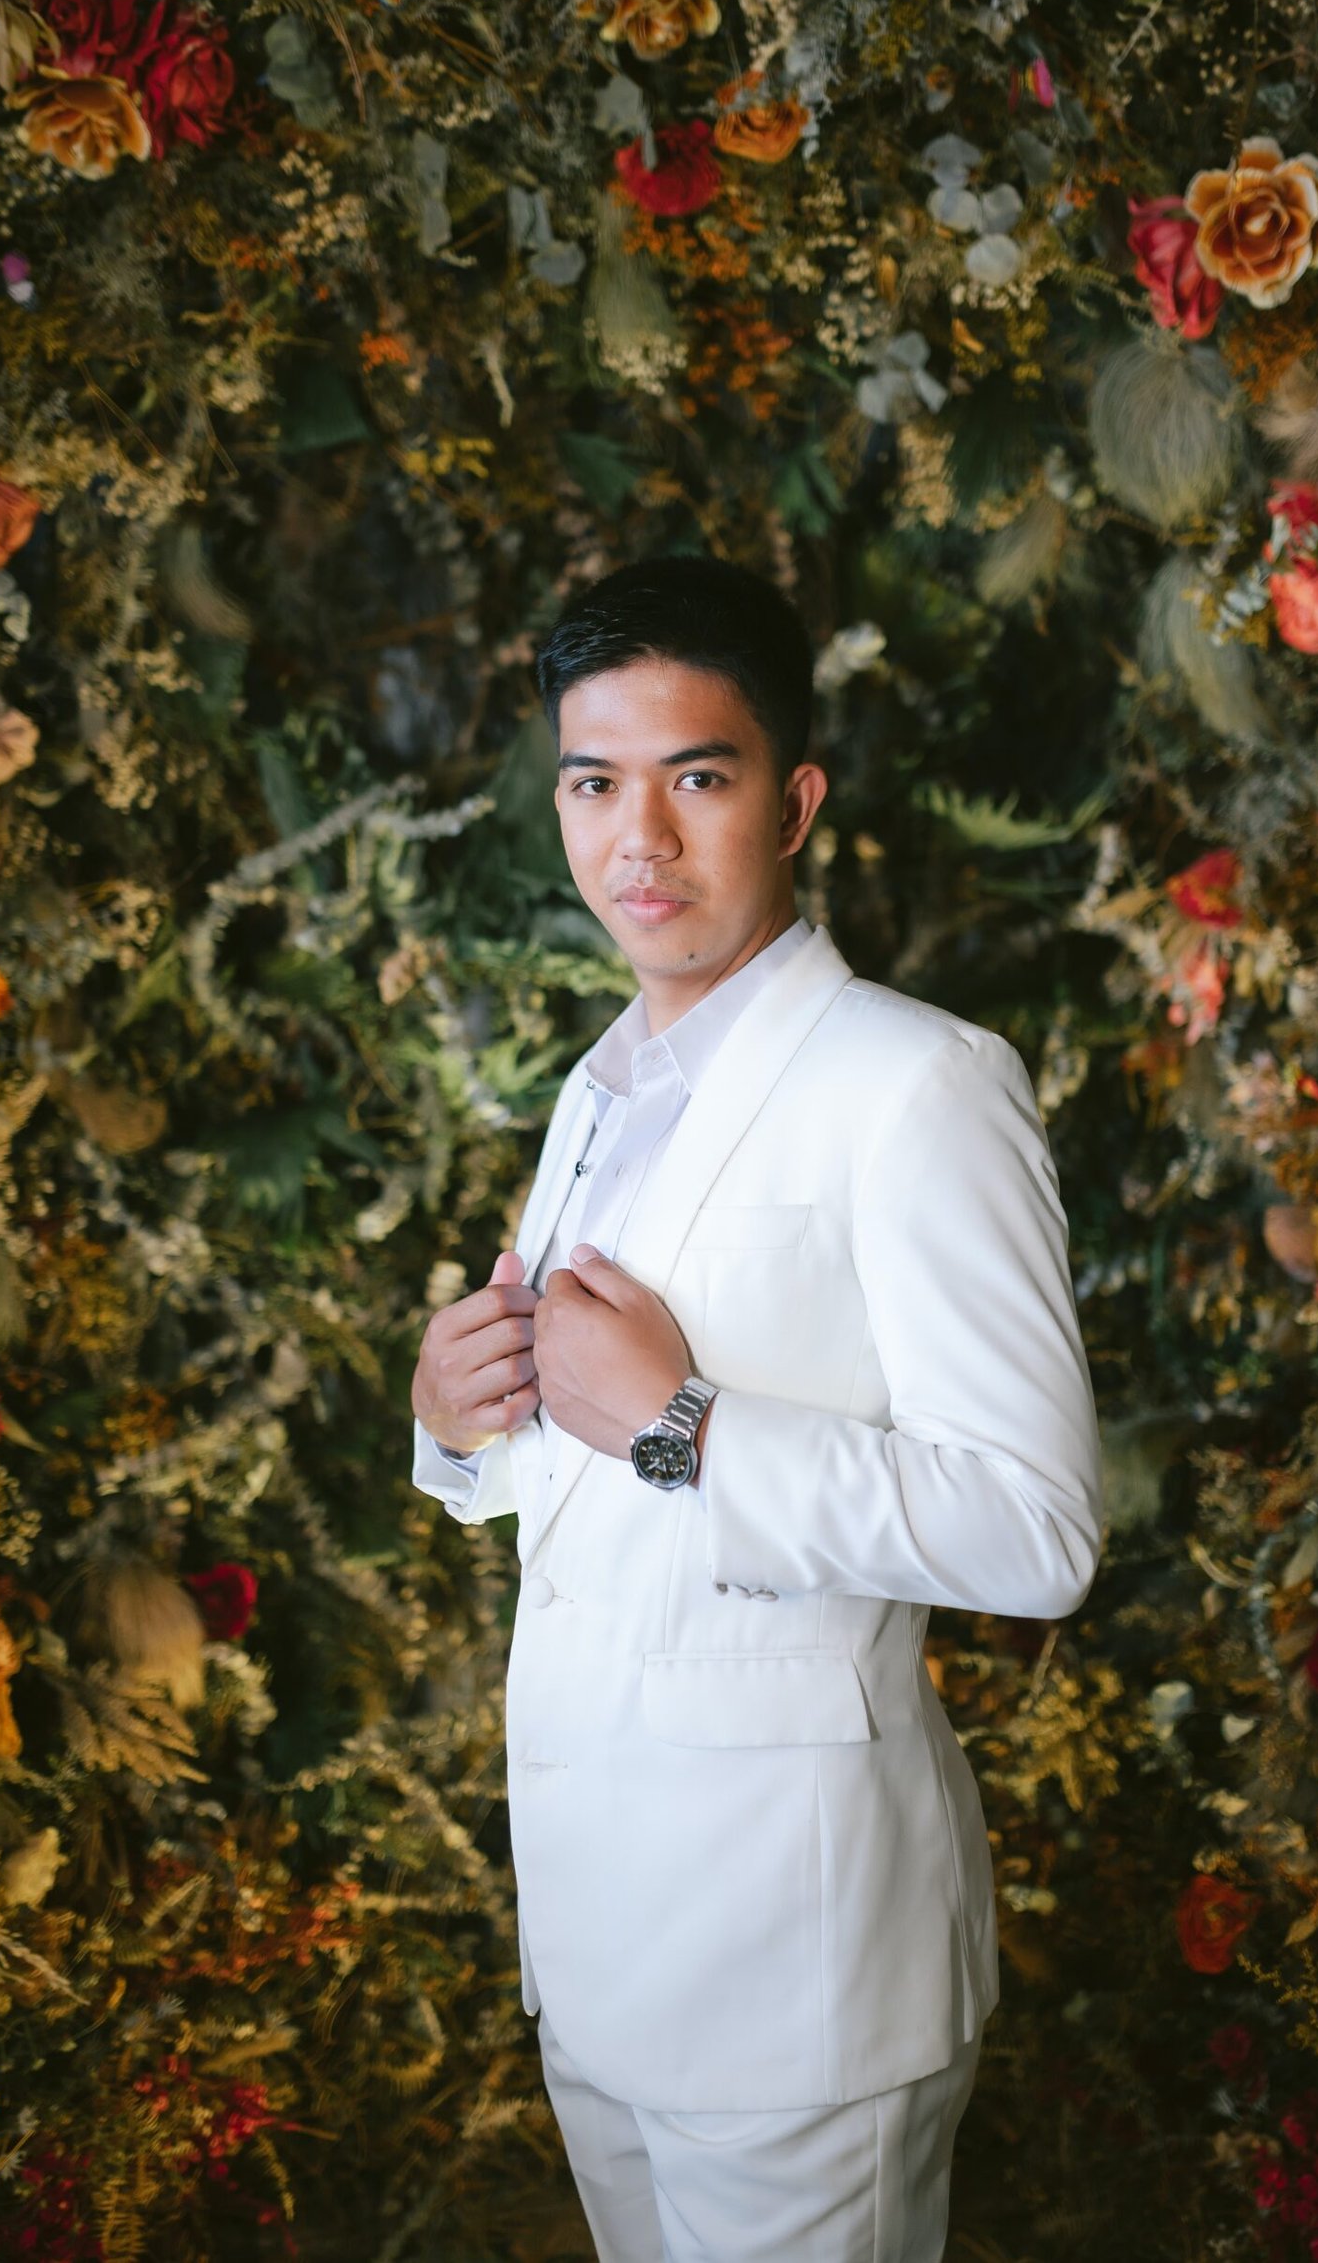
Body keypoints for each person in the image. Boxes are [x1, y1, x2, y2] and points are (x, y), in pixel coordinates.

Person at [410, 553, 1104, 2263]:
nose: (636, 839)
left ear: (791, 803)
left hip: (799, 1976)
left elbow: (1036, 1529)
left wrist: (686, 1425)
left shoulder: (919, 1084)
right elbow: (572, 1476)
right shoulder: (600, 1088)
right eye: (594, 782)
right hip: (598, 1941)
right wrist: (458, 1421)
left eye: (697, 778)